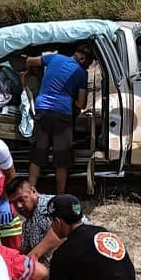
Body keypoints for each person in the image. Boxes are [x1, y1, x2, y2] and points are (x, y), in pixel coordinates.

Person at [24, 45, 93, 195]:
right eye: (87, 64)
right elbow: (81, 104)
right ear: (82, 59)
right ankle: (60, 194)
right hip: (62, 114)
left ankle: (29, 192)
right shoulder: (81, 73)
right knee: (61, 158)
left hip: (42, 110)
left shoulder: (54, 58)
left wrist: (39, 78)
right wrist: (72, 100)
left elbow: (29, 61)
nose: (86, 67)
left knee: (37, 154)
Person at [4, 177, 63, 265]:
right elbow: (25, 251)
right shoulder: (27, 224)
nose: (19, 206)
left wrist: (31, 258)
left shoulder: (51, 206)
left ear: (33, 191)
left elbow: (60, 235)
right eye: (14, 203)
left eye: (21, 199)